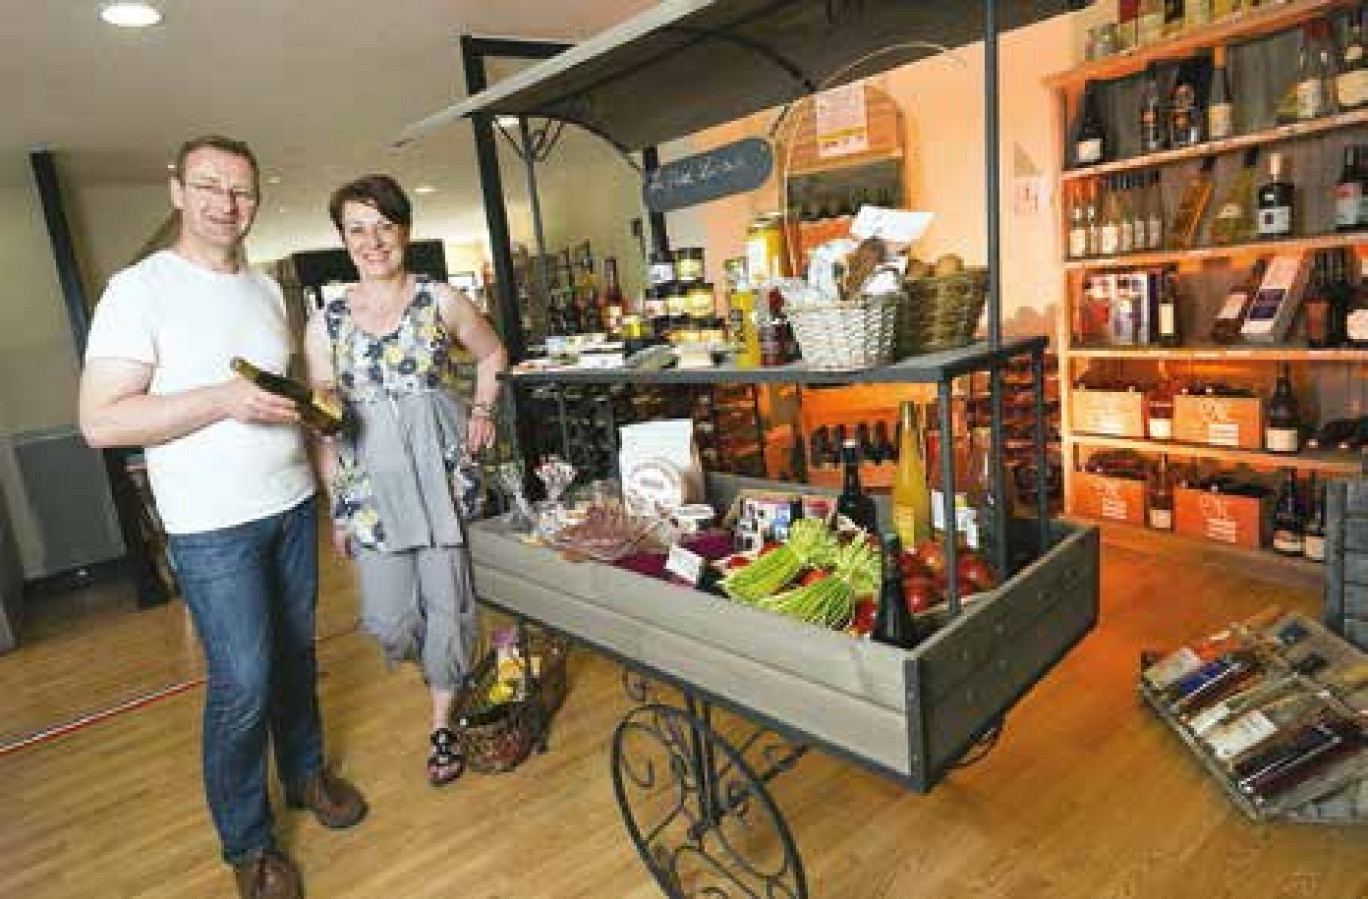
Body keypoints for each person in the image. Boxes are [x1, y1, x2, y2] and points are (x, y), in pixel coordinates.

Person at [79, 135, 366, 899]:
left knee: (297, 656)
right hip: (212, 528)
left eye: (241, 191)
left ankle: (306, 775)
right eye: (209, 185)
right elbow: (101, 423)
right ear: (175, 188)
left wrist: (325, 472)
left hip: (290, 506)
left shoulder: (269, 291)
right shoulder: (137, 290)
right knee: (243, 682)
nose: (225, 204)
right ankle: (249, 843)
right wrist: (221, 398)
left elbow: (289, 400)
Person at [303, 174, 507, 787]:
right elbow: (323, 424)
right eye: (357, 229)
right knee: (387, 622)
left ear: (405, 230)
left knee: (450, 604)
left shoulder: (440, 300)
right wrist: (338, 506)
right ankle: (444, 666)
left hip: (439, 474)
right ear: (343, 239)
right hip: (371, 489)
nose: (372, 241)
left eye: (383, 226)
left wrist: (482, 410)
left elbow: (493, 356)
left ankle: (442, 718)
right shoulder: (326, 322)